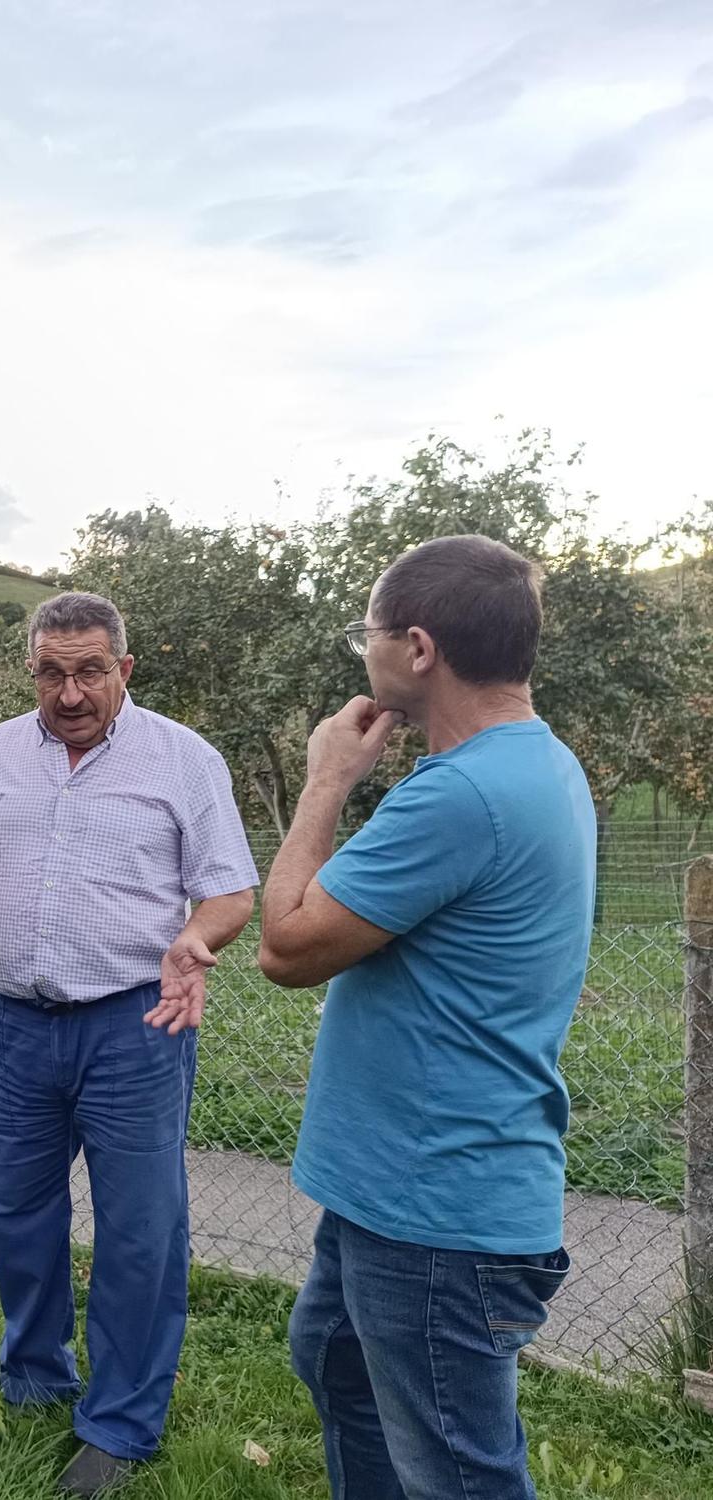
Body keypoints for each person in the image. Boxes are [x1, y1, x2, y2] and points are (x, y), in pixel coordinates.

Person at [0, 591, 258, 1496]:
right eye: (53, 672)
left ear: (124, 670)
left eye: (90, 670)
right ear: (31, 672)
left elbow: (230, 890)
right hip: (14, 1028)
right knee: (18, 1217)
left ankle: (121, 1426)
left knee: (140, 1233)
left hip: (136, 1026)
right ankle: (35, 1378)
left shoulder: (183, 760)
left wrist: (199, 940)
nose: (71, 691)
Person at [258, 534, 594, 1500]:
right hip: (404, 1188)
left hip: (437, 1205)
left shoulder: (461, 796)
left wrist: (326, 780)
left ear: (416, 648)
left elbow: (285, 944)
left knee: (458, 1473)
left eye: (366, 634)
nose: (360, 652)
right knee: (335, 1361)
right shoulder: (542, 764)